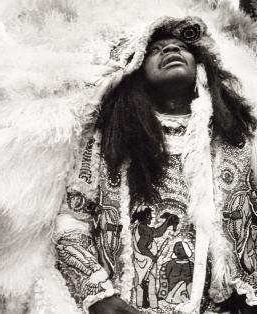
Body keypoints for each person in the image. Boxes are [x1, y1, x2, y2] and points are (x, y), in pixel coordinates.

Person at [55, 16, 257, 314]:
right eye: (155, 49)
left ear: (201, 67)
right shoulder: (107, 140)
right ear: (135, 69)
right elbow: (72, 219)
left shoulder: (240, 139)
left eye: (181, 46)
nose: (171, 49)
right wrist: (97, 295)